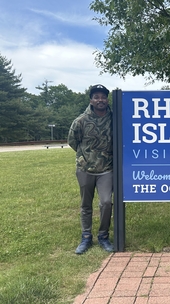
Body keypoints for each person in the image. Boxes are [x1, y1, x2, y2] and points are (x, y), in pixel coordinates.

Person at [68, 84, 114, 254]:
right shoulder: (80, 121)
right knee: (86, 204)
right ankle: (86, 236)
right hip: (85, 169)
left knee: (106, 202)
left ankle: (103, 236)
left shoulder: (114, 118)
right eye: (96, 97)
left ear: (107, 99)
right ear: (91, 100)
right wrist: (84, 157)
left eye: (103, 97)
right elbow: (72, 141)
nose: (100, 100)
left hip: (107, 169)